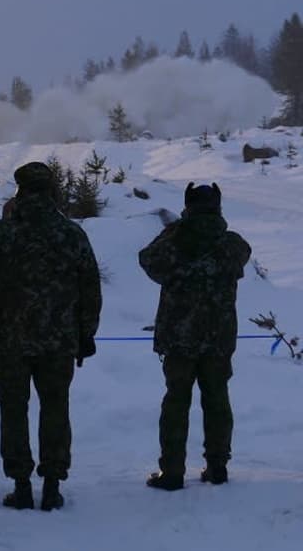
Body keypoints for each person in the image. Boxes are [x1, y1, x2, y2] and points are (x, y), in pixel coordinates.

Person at [0, 162, 102, 511]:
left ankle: (21, 484)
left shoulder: (0, 233)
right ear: (51, 191)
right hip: (58, 341)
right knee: (56, 407)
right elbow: (90, 289)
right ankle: (52, 485)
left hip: (11, 341)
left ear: (20, 191)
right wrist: (86, 334)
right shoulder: (71, 234)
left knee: (13, 409)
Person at [140, 183, 251, 491]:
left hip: (179, 338)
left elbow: (148, 261)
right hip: (219, 338)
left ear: (188, 207)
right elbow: (244, 254)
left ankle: (172, 472)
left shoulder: (174, 242)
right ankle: (218, 467)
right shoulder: (231, 244)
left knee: (176, 402)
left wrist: (176, 230)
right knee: (217, 400)